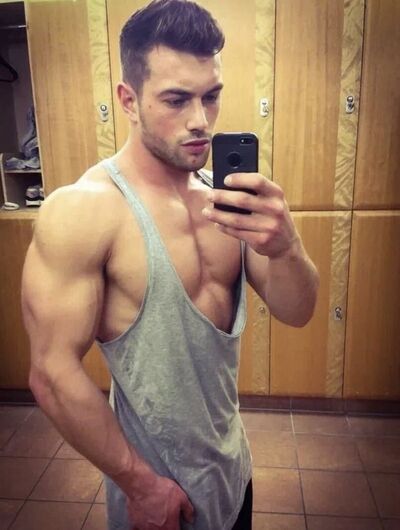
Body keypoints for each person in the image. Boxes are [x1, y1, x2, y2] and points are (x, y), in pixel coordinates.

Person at [21, 1, 319, 529]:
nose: (200, 120)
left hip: (233, 472)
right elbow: (51, 371)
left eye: (211, 96)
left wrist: (287, 246)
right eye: (177, 99)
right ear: (128, 100)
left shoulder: (226, 202)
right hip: (160, 498)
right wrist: (140, 485)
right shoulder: (84, 211)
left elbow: (298, 312)